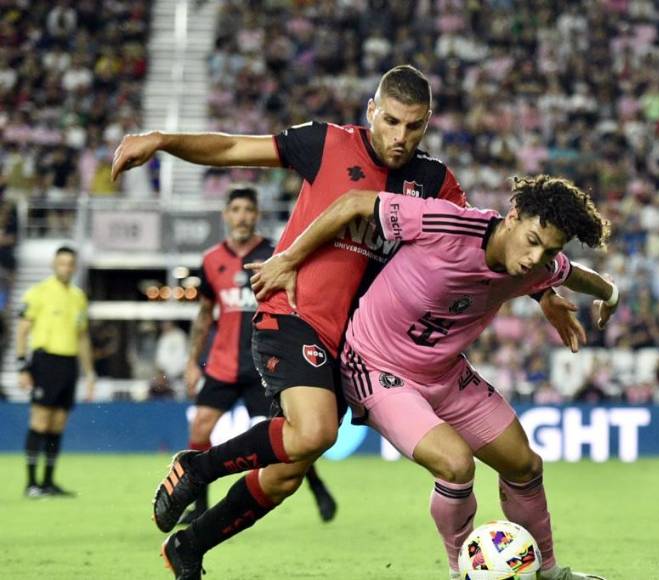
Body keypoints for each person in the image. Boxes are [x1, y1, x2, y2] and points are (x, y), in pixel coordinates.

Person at [112, 65, 581, 579]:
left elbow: (482, 254)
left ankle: (189, 547)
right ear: (372, 112)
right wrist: (160, 140)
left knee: (286, 474)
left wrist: (545, 293)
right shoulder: (325, 143)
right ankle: (194, 468)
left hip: (357, 342)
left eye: (415, 127)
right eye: (393, 122)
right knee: (313, 432)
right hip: (294, 314)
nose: (400, 138)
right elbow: (229, 150)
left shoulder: (436, 183)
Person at [251, 175, 610, 580]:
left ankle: (547, 572)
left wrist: (608, 293)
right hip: (377, 367)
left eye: (549, 250)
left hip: (444, 373)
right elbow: (352, 202)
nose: (535, 257)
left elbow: (573, 274)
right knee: (455, 465)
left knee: (524, 465)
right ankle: (464, 573)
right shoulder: (444, 224)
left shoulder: (535, 264)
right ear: (513, 217)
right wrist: (288, 258)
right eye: (532, 240)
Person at [175, 185, 336, 526]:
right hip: (222, 364)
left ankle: (318, 487)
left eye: (248, 210)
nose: (242, 217)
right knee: (201, 426)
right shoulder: (210, 260)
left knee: (290, 436)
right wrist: (192, 362)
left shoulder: (276, 253)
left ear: (256, 214)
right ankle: (199, 505)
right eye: (236, 210)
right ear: (226, 215)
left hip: (266, 363)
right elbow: (205, 315)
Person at [16, 246, 96, 498]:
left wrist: (89, 372)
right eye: (61, 263)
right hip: (44, 361)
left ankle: (48, 482)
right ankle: (31, 483)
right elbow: (22, 330)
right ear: (54, 264)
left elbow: (82, 337)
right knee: (40, 419)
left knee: (58, 423)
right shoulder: (38, 292)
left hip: (68, 364)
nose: (66, 268)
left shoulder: (78, 297)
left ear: (74, 267)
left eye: (70, 263)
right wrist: (22, 365)